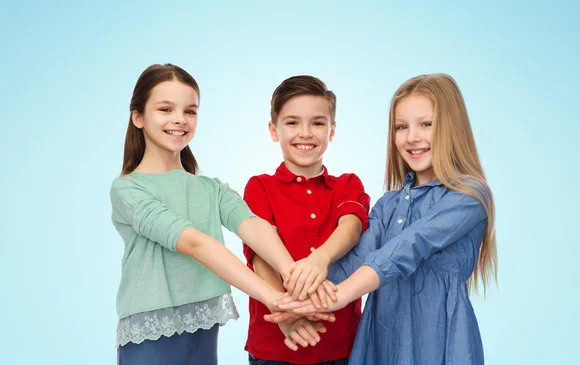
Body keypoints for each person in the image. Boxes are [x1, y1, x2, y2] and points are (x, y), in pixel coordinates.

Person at [271, 73, 497, 365]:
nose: (412, 137)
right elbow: (356, 259)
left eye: (426, 124)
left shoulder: (469, 196)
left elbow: (407, 248)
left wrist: (337, 297)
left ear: (452, 128)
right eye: (401, 127)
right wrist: (300, 297)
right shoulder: (388, 204)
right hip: (383, 337)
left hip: (437, 341)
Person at [110, 63, 306, 365]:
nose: (180, 119)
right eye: (165, 109)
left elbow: (253, 226)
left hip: (203, 334)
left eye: (190, 111)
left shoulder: (210, 188)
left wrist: (295, 276)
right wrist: (274, 298)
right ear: (138, 117)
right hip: (149, 342)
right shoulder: (128, 189)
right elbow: (196, 245)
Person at [243, 75, 370, 365]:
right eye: (292, 122)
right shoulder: (260, 187)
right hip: (274, 345)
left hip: (342, 344)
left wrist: (320, 259)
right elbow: (260, 257)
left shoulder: (348, 185)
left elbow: (350, 227)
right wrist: (286, 316)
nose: (306, 133)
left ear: (332, 130)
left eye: (317, 123)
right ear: (273, 130)